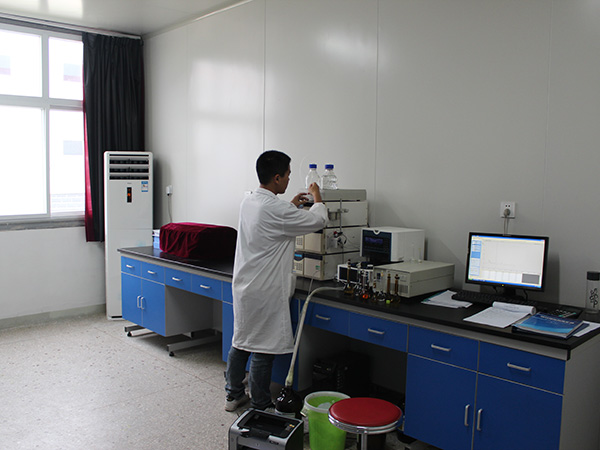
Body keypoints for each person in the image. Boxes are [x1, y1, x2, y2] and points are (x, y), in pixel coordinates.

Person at [225, 150, 328, 411]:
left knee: (241, 342)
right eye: (288, 175)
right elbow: (318, 220)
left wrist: (291, 205)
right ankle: (260, 404)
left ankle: (233, 395)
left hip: (245, 285)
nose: (289, 180)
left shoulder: (249, 201)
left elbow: (273, 218)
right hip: (265, 289)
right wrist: (317, 196)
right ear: (277, 177)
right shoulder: (276, 209)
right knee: (263, 349)